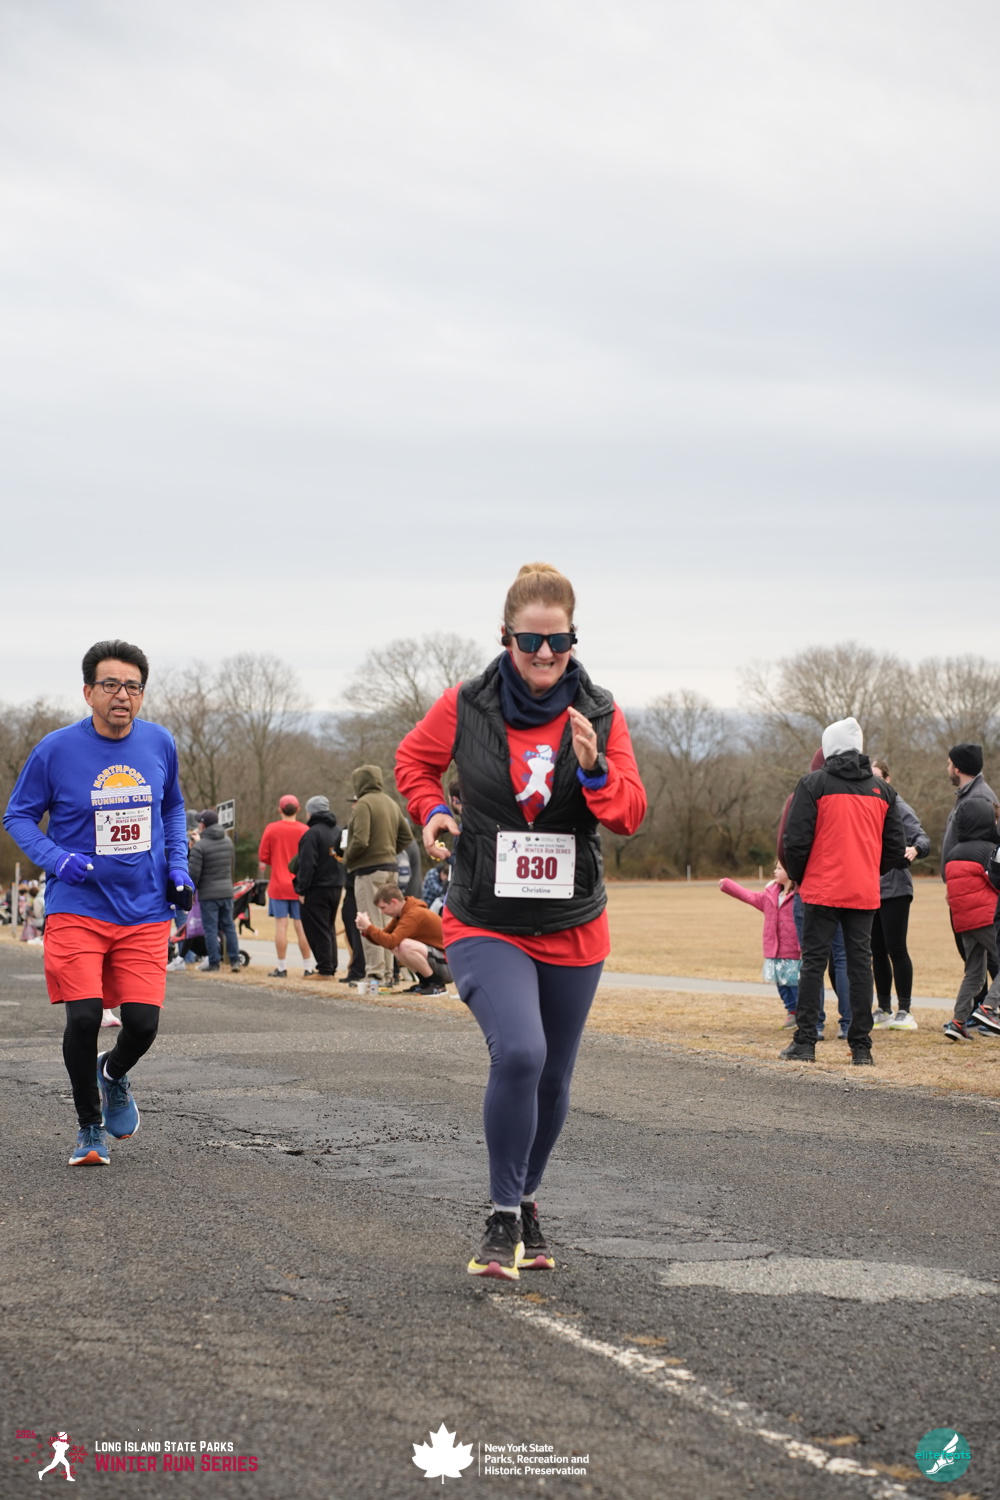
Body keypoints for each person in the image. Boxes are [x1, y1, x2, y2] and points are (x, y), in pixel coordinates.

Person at [396, 562, 646, 1280]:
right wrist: (432, 810)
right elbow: (413, 762)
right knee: (522, 1053)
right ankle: (501, 1214)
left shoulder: (599, 712)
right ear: (505, 636)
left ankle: (527, 1203)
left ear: (573, 639)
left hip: (572, 923)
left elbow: (629, 814)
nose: (544, 653)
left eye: (558, 640)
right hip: (486, 916)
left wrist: (594, 770)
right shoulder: (465, 704)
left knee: (554, 1078)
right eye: (530, 640)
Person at [2, 638, 191, 1166]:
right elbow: (18, 815)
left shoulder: (160, 742)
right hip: (78, 906)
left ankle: (113, 1072)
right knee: (84, 1018)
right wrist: (56, 857)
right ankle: (89, 1127)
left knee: (143, 1025)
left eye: (133, 686)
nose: (122, 695)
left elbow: (173, 808)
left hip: (145, 908)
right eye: (110, 684)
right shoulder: (56, 749)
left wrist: (178, 864)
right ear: (88, 692)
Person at [780, 716, 907, 1066]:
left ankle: (805, 1042)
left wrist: (801, 876)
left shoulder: (813, 784)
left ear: (829, 747)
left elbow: (795, 840)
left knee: (813, 963)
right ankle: (861, 1047)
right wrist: (868, 870)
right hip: (862, 891)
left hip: (820, 889)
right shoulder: (883, 791)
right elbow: (895, 849)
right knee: (859, 965)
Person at [868, 760, 930, 1031]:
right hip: (871, 889)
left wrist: (915, 849)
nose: (873, 782)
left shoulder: (899, 806)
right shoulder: (869, 805)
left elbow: (922, 838)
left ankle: (905, 1011)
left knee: (896, 949)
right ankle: (883, 1009)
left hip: (896, 890)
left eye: (877, 777)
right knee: (876, 950)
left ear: (888, 779)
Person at [344, 766, 413, 989]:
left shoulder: (364, 804)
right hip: (390, 869)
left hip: (368, 871)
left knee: (369, 922)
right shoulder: (391, 803)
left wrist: (347, 860)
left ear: (359, 783)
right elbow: (407, 836)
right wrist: (390, 852)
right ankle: (389, 974)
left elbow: (360, 840)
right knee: (387, 924)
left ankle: (375, 974)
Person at [941, 796, 1000, 1040]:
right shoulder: (988, 850)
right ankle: (989, 1008)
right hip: (986, 919)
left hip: (964, 922)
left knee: (974, 974)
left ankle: (957, 1022)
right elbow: (996, 882)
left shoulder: (953, 852)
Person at [719, 861, 801, 1027]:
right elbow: (748, 896)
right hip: (775, 950)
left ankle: (802, 1013)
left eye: (779, 868)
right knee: (781, 984)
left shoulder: (799, 897)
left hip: (794, 950)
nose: (775, 871)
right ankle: (792, 1012)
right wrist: (727, 885)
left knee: (794, 983)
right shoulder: (769, 896)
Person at [355, 883, 452, 994]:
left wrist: (369, 927)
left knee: (404, 945)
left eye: (383, 907)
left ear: (394, 902)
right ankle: (425, 983)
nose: (382, 912)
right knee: (397, 946)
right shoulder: (403, 913)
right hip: (442, 961)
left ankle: (436, 985)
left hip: (449, 965)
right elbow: (384, 940)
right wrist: (366, 930)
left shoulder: (413, 914)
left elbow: (390, 941)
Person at [258, 795, 311, 978]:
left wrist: (277, 861)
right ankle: (308, 967)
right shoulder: (305, 830)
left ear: (280, 809)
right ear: (298, 809)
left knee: (281, 926)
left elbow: (263, 856)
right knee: (301, 926)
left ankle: (281, 967)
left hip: (278, 884)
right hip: (299, 885)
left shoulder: (272, 829)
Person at [294, 795, 345, 979]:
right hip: (336, 885)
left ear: (311, 813)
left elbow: (307, 864)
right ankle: (330, 966)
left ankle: (324, 969)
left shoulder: (312, 834)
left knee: (317, 928)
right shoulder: (338, 831)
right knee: (328, 927)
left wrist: (302, 889)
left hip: (317, 887)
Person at [188, 809, 240, 973]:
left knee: (210, 928)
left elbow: (194, 874)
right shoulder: (228, 842)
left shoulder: (200, 846)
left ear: (203, 825)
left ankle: (214, 962)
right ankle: (235, 960)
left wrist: (191, 892)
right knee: (229, 926)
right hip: (226, 891)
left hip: (209, 893)